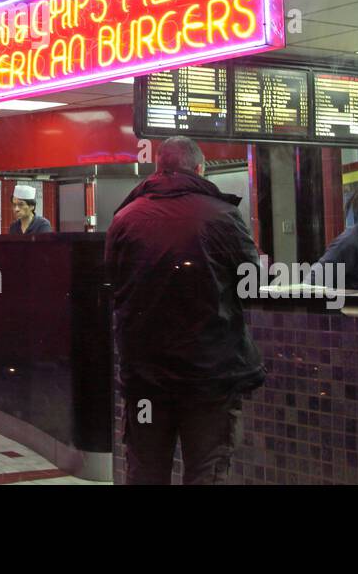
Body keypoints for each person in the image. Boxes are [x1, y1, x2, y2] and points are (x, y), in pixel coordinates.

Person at [104, 136, 265, 484]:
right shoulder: (223, 215)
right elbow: (250, 284)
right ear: (200, 168)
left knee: (146, 471)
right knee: (205, 472)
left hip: (145, 379)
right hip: (209, 380)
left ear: (158, 168)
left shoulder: (124, 218)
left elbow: (114, 286)